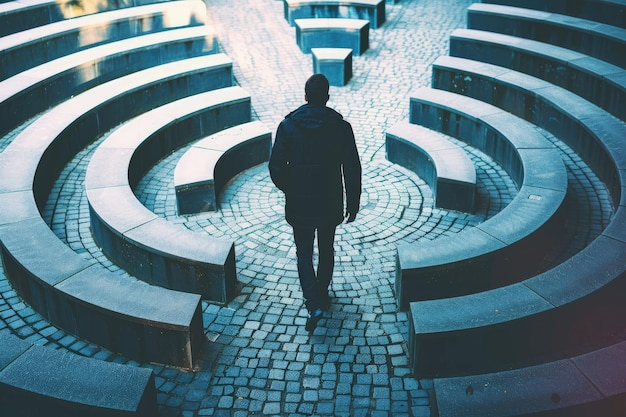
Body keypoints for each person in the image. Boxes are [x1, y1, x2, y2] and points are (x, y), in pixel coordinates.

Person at [269, 74, 362, 332]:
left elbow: (276, 168)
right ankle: (321, 293)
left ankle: (313, 303)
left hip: (300, 203)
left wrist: (292, 188)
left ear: (305, 97)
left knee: (304, 254)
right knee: (327, 249)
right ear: (327, 97)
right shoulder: (341, 128)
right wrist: (352, 203)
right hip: (329, 201)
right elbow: (352, 168)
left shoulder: (287, 127)